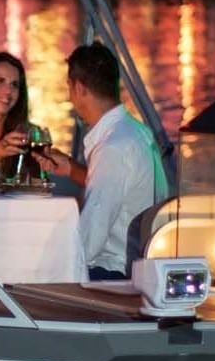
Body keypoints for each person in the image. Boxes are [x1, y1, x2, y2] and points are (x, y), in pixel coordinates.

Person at [35, 42, 162, 281]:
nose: (70, 97)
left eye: (69, 88)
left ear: (80, 88)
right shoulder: (136, 132)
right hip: (143, 263)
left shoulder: (113, 148)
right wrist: (72, 169)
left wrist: (42, 268)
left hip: (115, 271)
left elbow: (90, 239)